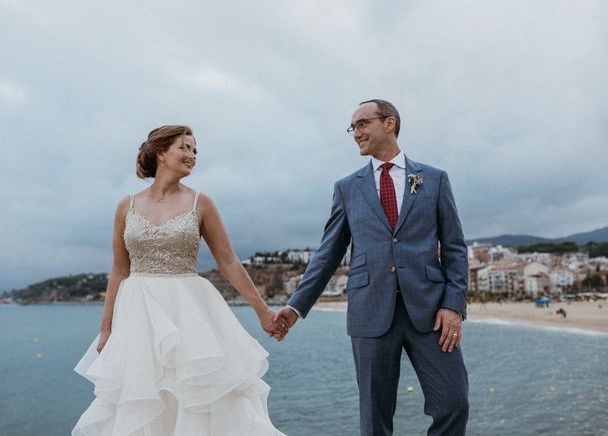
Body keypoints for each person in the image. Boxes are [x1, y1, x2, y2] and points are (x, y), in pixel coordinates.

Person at [73, 125, 288, 435]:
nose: (192, 155)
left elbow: (227, 261)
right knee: (143, 399)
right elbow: (119, 270)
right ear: (161, 153)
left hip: (189, 313)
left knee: (195, 397)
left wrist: (263, 311)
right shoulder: (126, 206)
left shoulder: (202, 203)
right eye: (184, 147)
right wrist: (106, 330)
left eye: (195, 150)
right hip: (139, 316)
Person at [276, 100, 469, 435]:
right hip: (369, 312)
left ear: (389, 123)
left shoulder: (434, 180)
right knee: (374, 419)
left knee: (454, 403)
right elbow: (328, 254)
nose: (356, 133)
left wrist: (453, 305)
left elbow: (454, 248)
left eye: (362, 124)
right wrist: (296, 307)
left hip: (431, 311)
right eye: (353, 127)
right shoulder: (347, 188)